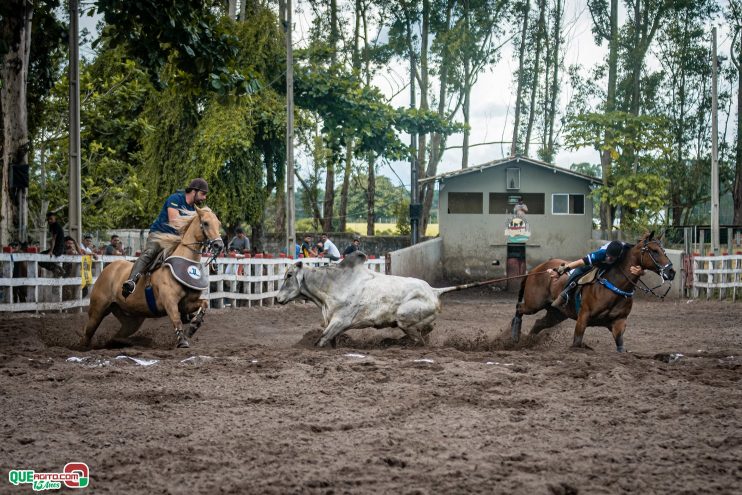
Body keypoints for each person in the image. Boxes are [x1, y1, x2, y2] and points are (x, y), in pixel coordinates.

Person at [122, 178, 209, 297]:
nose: (204, 198)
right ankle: (131, 281)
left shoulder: (194, 209)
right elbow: (174, 221)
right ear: (194, 191)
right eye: (203, 194)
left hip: (177, 240)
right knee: (150, 252)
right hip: (159, 235)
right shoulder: (175, 199)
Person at [550, 240, 642, 307]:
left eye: (612, 258)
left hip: (613, 266)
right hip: (596, 264)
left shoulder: (626, 251)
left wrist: (641, 272)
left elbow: (641, 260)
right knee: (579, 270)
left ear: (619, 255)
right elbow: (581, 262)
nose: (609, 259)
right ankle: (565, 294)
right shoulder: (601, 254)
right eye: (608, 256)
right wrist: (564, 269)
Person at [39, 211, 65, 277]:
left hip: (58, 249)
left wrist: (51, 251)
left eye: (51, 219)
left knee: (40, 258)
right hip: (57, 248)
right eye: (48, 220)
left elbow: (54, 239)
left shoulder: (56, 225)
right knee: (41, 256)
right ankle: (55, 268)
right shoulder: (52, 226)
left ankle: (55, 268)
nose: (49, 221)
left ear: (54, 217)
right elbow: (52, 240)